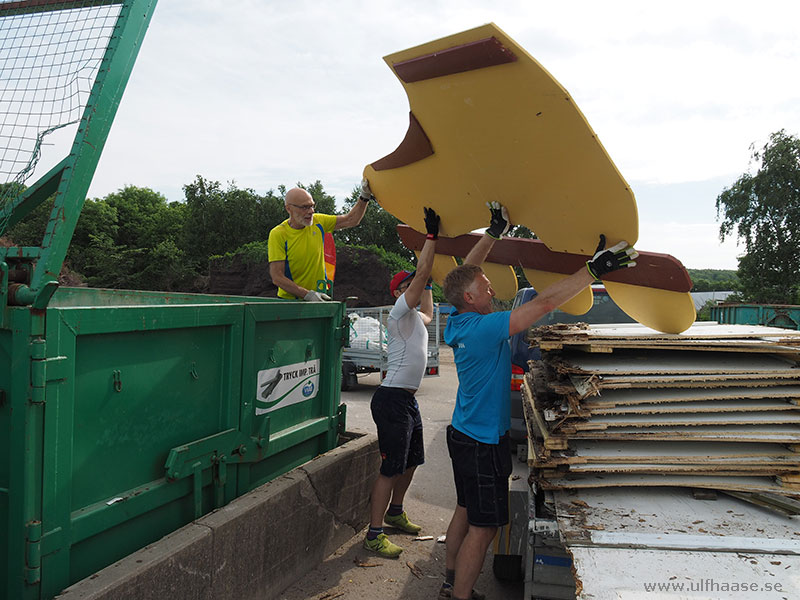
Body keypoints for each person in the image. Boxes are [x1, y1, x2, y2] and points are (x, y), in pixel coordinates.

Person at [439, 202, 638, 600]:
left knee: (465, 508)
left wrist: (492, 234)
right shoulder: (484, 328)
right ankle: (458, 595)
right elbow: (544, 304)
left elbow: (459, 276)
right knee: (485, 527)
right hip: (481, 443)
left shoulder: (455, 321)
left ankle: (449, 577)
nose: (492, 289)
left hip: (463, 434)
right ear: (470, 297)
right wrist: (594, 270)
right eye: (486, 287)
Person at [363, 206, 441, 558]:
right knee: (390, 467)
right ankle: (373, 534)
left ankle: (395, 513)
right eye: (411, 284)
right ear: (400, 290)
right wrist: (429, 239)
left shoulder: (416, 319)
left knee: (411, 461)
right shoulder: (398, 311)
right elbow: (421, 277)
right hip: (391, 399)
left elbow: (429, 305)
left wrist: (429, 272)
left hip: (406, 400)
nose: (418, 285)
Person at [268, 180, 372, 301]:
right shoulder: (279, 234)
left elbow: (351, 220)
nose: (311, 211)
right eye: (305, 207)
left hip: (320, 297)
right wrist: (307, 294)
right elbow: (277, 277)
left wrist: (364, 196)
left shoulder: (318, 222)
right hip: (291, 302)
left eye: (312, 206)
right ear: (289, 209)